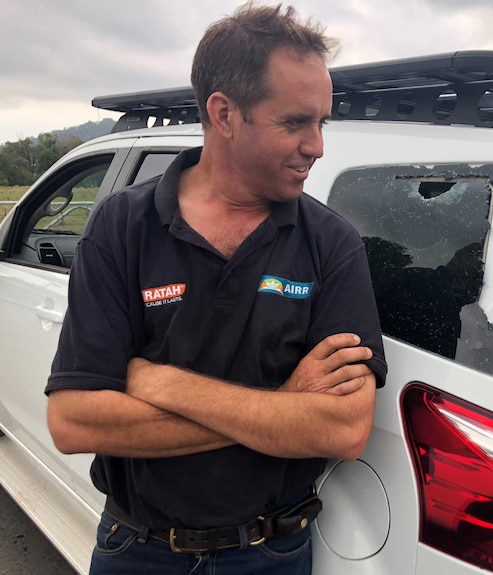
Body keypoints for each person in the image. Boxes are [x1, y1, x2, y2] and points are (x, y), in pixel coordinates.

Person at [44, 3, 386, 574]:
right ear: (225, 114)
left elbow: (345, 428)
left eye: (321, 122)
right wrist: (282, 411)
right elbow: (75, 421)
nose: (317, 146)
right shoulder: (122, 227)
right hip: (138, 550)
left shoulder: (332, 243)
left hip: (271, 553)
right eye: (296, 122)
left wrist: (163, 384)